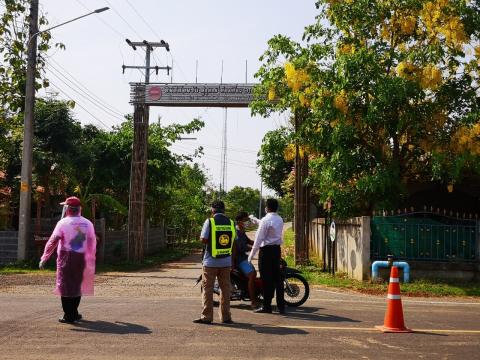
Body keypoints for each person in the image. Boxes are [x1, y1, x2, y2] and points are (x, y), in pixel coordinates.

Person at [39, 196, 97, 324]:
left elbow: (52, 242)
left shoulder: (63, 223)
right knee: (77, 285)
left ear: (68, 209)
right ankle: (74, 313)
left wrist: (44, 257)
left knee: (65, 285)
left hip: (67, 256)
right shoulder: (88, 223)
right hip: (82, 258)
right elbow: (92, 241)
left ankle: (68, 315)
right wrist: (90, 258)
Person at [193, 200, 235, 324]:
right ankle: (226, 317)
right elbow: (233, 241)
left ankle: (206, 317)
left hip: (210, 262)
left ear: (213, 209)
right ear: (224, 210)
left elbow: (204, 239)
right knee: (225, 290)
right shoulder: (231, 223)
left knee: (207, 289)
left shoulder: (210, 221)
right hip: (226, 261)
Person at [248, 198, 285, 314]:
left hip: (266, 252)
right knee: (278, 279)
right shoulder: (279, 219)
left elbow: (258, 240)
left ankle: (267, 306)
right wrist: (255, 220)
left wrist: (250, 256)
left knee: (266, 279)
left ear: (267, 208)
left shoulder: (265, 220)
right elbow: (268, 224)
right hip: (276, 251)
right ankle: (281, 306)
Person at [232, 211, 258, 309]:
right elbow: (241, 247)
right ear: (239, 221)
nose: (248, 222)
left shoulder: (242, 230)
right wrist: (252, 248)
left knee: (253, 274)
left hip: (244, 257)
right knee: (252, 275)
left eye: (248, 220)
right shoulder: (237, 231)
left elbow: (248, 241)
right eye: (246, 220)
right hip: (239, 258)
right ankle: (253, 302)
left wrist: (260, 243)